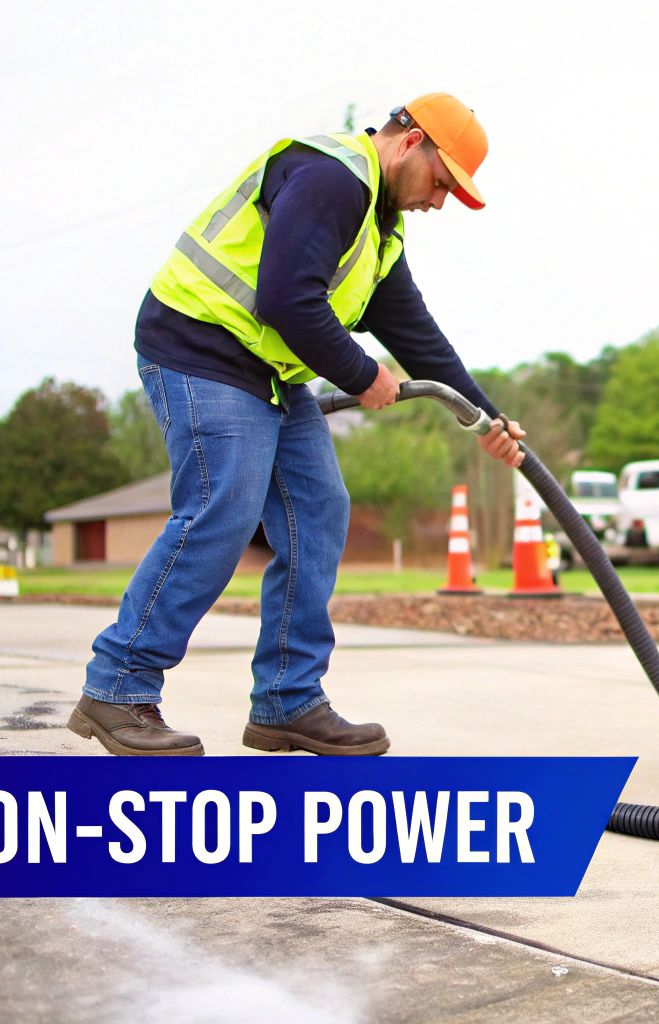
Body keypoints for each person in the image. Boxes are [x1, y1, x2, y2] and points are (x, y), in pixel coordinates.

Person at [69, 92, 523, 757]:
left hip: (270, 373)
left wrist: (486, 415)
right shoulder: (332, 177)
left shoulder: (379, 229)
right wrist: (362, 374)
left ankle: (288, 701)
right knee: (222, 507)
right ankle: (118, 686)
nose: (439, 202)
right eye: (442, 182)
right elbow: (287, 299)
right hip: (200, 347)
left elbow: (418, 337)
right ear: (410, 142)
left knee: (317, 510)